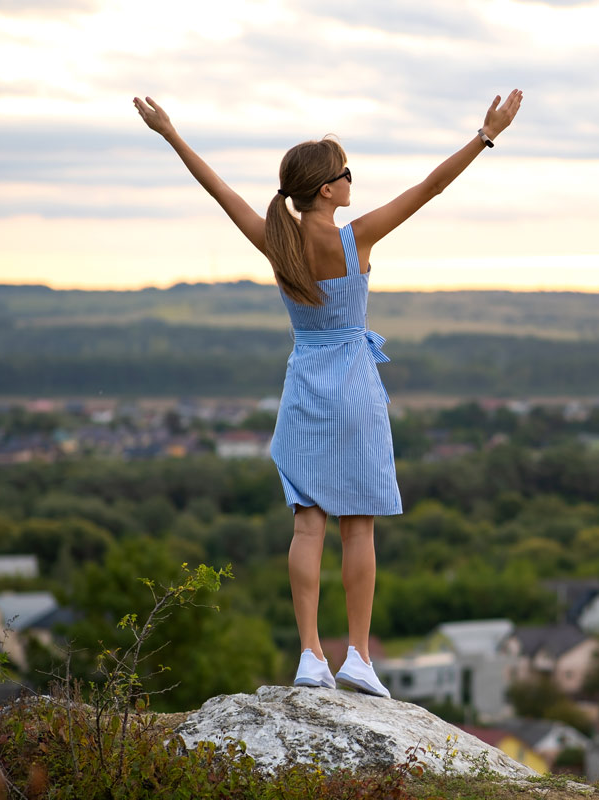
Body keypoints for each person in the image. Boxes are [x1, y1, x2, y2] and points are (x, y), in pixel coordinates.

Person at [133, 89, 523, 696]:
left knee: (307, 526)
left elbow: (220, 193)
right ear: (324, 190)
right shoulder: (357, 238)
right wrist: (486, 136)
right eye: (345, 174)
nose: (351, 181)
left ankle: (311, 654)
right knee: (358, 527)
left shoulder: (277, 241)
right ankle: (358, 657)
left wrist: (172, 135)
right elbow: (430, 187)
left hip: (306, 388)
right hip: (354, 388)